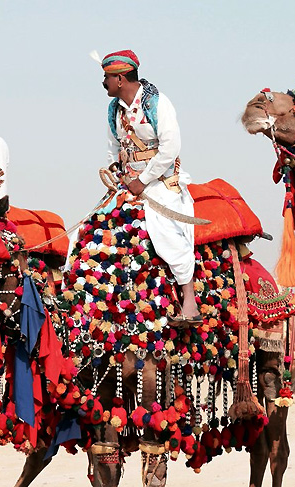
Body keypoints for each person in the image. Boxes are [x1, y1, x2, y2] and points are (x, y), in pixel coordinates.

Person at [101, 49, 201, 324]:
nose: (103, 84)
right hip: (127, 184)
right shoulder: (113, 110)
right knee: (94, 227)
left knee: (164, 228)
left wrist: (142, 181)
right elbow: (113, 148)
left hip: (160, 183)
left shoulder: (157, 104)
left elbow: (171, 149)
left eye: (106, 78)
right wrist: (118, 175)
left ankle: (189, 300)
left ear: (120, 79)